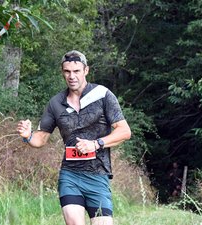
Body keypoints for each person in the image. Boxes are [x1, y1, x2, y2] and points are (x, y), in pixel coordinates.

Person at [17, 50, 131, 225]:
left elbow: (124, 131)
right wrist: (27, 136)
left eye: (76, 71)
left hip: (98, 176)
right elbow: (40, 139)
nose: (72, 76)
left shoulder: (102, 95)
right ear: (63, 72)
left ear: (86, 70)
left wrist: (96, 144)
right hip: (70, 176)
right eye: (67, 71)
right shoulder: (55, 103)